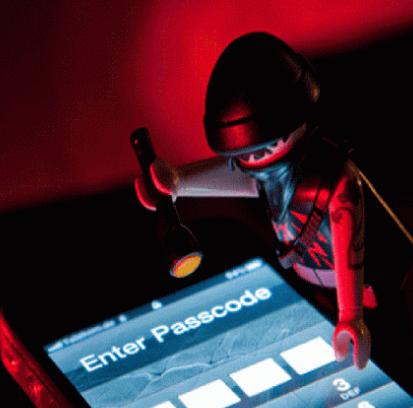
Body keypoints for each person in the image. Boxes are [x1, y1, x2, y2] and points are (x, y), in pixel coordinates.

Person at [134, 32, 371, 369]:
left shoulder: (337, 180)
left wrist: (351, 315)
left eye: (265, 148)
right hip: (313, 292)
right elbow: (245, 180)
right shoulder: (264, 177)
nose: (256, 160)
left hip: (369, 290)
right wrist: (176, 181)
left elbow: (350, 248)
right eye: (246, 154)